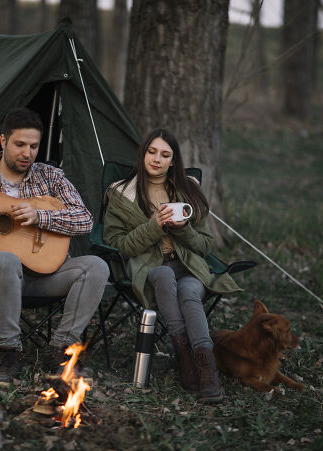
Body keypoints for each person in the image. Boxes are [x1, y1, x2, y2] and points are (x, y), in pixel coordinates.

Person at [0, 108, 108, 384]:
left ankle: (59, 349)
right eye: (20, 145)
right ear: (3, 141)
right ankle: (9, 352)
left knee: (96, 266)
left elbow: (85, 220)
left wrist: (42, 216)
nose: (27, 153)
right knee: (6, 260)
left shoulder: (51, 177)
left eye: (34, 146)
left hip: (44, 273)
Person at [102, 128, 241, 402]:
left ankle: (205, 368)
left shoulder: (187, 190)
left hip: (187, 265)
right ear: (142, 154)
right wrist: (154, 226)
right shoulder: (121, 193)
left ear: (173, 160)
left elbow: (204, 245)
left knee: (189, 292)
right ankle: (184, 355)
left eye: (165, 154)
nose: (157, 159)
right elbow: (121, 246)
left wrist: (182, 229)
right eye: (152, 152)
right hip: (148, 267)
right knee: (164, 275)